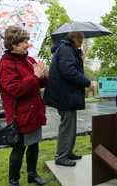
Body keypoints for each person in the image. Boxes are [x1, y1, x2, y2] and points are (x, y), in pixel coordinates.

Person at [0, 26, 47, 186]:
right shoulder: (6, 64)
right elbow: (15, 90)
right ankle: (13, 183)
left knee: (34, 145)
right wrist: (34, 76)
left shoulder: (29, 60)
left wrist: (43, 75)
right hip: (19, 116)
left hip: (34, 113)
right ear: (14, 44)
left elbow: (38, 83)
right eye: (24, 42)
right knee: (18, 150)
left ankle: (32, 175)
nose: (28, 44)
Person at [44, 32, 93, 167]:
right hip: (65, 95)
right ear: (75, 39)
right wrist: (87, 82)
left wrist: (78, 55)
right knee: (67, 126)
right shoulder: (66, 49)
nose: (82, 42)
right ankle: (61, 156)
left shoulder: (68, 49)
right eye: (81, 39)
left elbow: (70, 68)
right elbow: (69, 71)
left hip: (66, 95)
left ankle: (67, 152)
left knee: (70, 126)